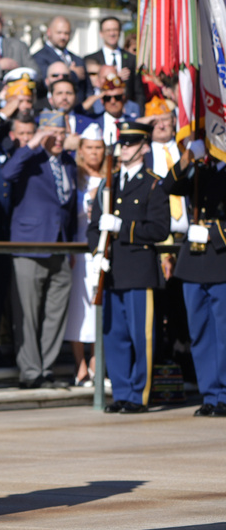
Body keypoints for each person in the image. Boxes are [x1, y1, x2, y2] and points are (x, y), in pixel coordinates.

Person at [88, 121, 170, 414]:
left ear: (144, 147)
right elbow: (93, 226)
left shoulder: (153, 183)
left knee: (141, 336)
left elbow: (160, 229)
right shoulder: (107, 182)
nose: (124, 148)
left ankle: (138, 395)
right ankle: (121, 392)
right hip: (111, 271)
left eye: (131, 143)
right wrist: (96, 251)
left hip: (138, 270)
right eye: (122, 143)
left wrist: (124, 227)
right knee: (115, 337)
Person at [1, 111, 77, 388]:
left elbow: (68, 206)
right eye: (51, 132)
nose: (57, 138)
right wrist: (31, 144)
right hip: (29, 245)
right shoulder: (29, 157)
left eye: (61, 132)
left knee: (56, 312)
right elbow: (6, 174)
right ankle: (30, 371)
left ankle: (46, 367)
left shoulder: (68, 162)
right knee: (27, 313)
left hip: (60, 245)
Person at [162, 144, 226, 416]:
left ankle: (224, 393)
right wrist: (187, 157)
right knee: (199, 331)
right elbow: (169, 186)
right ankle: (210, 394)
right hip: (194, 261)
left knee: (223, 332)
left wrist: (216, 233)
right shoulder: (199, 170)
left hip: (221, 257)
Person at [65, 125, 105, 385]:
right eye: (89, 147)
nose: (94, 153)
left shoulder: (109, 177)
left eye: (98, 148)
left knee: (98, 304)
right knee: (78, 308)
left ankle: (96, 363)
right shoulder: (74, 175)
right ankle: (80, 364)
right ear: (81, 150)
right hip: (78, 249)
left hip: (101, 248)